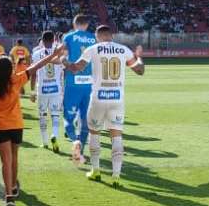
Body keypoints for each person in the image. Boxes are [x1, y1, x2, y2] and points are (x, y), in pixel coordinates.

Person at [0, 46, 66, 206]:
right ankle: (13, 186)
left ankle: (9, 195)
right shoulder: (16, 80)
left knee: (5, 161)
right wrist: (54, 55)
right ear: (10, 69)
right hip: (16, 125)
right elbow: (36, 66)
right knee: (14, 158)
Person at [64, 25, 145, 185]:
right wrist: (139, 57)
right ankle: (116, 176)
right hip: (117, 100)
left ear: (97, 36)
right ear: (111, 36)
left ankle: (96, 171)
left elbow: (75, 68)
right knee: (117, 136)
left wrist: (63, 61)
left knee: (95, 134)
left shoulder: (93, 49)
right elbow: (140, 71)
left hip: (98, 99)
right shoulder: (124, 50)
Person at [61, 14, 96, 164]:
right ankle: (80, 152)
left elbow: (62, 58)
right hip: (88, 85)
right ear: (87, 24)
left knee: (68, 117)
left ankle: (75, 141)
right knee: (85, 119)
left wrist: (70, 66)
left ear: (74, 24)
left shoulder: (68, 37)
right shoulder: (94, 38)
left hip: (72, 82)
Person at [30, 31, 65, 153]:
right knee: (55, 115)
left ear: (42, 41)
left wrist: (32, 91)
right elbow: (64, 72)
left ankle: (44, 142)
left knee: (42, 115)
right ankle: (54, 134)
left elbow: (33, 73)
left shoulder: (36, 54)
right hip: (56, 88)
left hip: (42, 89)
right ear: (54, 39)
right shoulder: (59, 54)